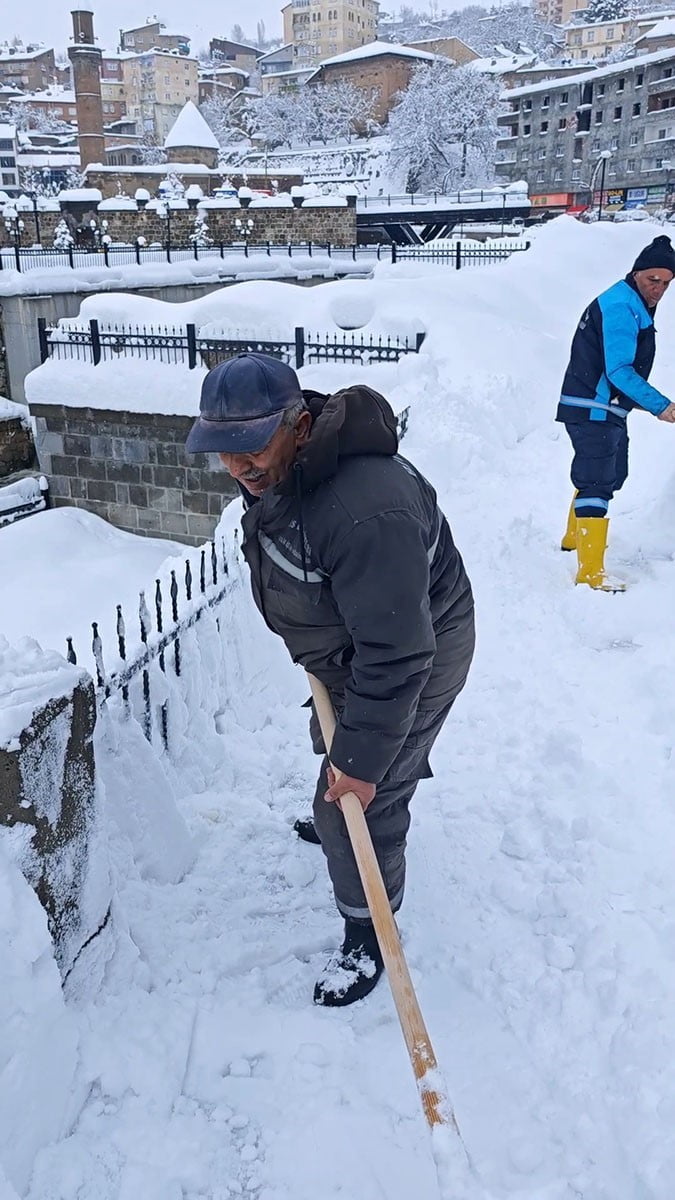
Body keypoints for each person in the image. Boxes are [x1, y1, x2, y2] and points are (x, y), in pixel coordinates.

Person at [186, 353, 475, 1007]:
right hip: (354, 648)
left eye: (250, 446)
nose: (237, 466)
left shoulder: (364, 509)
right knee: (341, 751)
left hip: (412, 653)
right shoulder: (288, 465)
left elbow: (398, 655)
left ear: (298, 421)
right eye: (223, 451)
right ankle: (349, 810)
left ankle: (369, 930)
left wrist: (364, 766)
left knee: (360, 797)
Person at [557, 234, 675, 591]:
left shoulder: (632, 302)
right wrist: (662, 406)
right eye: (652, 280)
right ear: (636, 273)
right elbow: (620, 371)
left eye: (667, 283)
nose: (659, 289)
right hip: (593, 407)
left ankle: (573, 538)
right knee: (597, 482)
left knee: (610, 476)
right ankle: (590, 572)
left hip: (603, 407)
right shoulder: (622, 305)